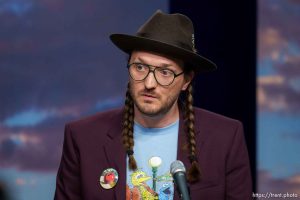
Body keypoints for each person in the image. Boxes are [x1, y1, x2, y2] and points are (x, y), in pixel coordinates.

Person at [54, 10, 252, 200]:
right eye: (140, 67)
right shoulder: (83, 137)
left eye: (165, 72)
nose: (149, 84)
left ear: (186, 80)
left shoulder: (225, 137)